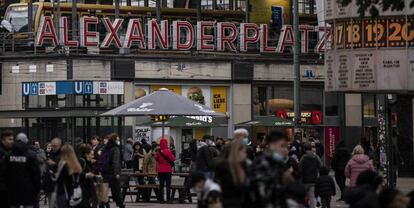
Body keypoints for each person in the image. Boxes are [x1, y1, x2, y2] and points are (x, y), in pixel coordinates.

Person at [250, 131, 294, 207]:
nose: (285, 150)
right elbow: (262, 194)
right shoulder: (262, 164)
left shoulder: (279, 164)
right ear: (271, 145)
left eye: (286, 147)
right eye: (282, 146)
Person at [4, 133, 41, 208]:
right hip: (28, 190)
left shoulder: (8, 155)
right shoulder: (31, 155)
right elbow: (36, 174)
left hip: (12, 190)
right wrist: (38, 189)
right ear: (26, 141)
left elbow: (4, 173)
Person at [215, 139, 250, 207]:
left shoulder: (245, 165)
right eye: (243, 152)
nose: (245, 155)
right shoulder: (223, 167)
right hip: (229, 203)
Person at [97, 134, 124, 208]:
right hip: (112, 173)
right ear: (114, 140)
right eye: (117, 139)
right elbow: (115, 161)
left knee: (104, 189)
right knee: (116, 190)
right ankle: (120, 204)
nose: (118, 141)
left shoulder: (105, 147)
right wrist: (116, 173)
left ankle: (102, 204)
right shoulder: (115, 149)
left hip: (105, 172)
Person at [299, 142, 322, 208]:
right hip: (314, 180)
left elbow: (299, 168)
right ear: (311, 148)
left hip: (304, 180)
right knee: (312, 198)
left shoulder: (303, 157)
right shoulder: (316, 157)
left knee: (303, 197)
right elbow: (321, 166)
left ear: (304, 149)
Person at [44, 137, 63, 207]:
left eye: (55, 146)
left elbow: (65, 168)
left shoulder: (63, 155)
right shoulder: (50, 154)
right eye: (52, 146)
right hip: (50, 185)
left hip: (59, 186)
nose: (53, 147)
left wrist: (55, 164)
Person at [77, 144, 97, 208]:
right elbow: (76, 173)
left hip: (87, 189)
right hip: (82, 189)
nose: (93, 156)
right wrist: (86, 175)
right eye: (91, 154)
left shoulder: (88, 162)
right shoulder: (82, 161)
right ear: (86, 154)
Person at [156, 137, 176, 203]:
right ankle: (168, 199)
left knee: (161, 185)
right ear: (166, 144)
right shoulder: (168, 151)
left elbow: (157, 159)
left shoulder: (158, 151)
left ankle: (161, 199)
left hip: (160, 170)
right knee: (168, 185)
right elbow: (173, 159)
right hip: (167, 170)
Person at [0, 130, 14, 208]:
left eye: (12, 139)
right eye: (9, 139)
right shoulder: (3, 153)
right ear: (3, 140)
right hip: (3, 190)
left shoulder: (10, 151)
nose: (12, 141)